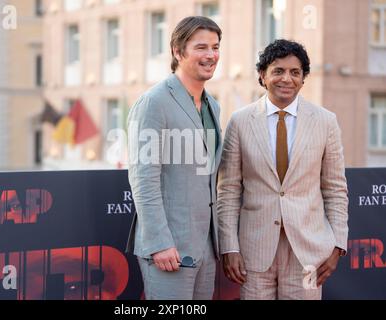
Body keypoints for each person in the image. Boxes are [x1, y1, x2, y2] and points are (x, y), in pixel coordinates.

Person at [217, 39, 348, 300]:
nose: (286, 79)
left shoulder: (325, 121)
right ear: (262, 76)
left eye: (295, 72)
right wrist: (229, 247)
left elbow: (335, 189)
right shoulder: (240, 122)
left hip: (309, 254)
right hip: (253, 252)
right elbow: (228, 191)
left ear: (303, 79)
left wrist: (337, 246)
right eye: (278, 71)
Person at [126, 16, 223, 300]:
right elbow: (143, 179)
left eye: (216, 47)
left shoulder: (213, 106)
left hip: (206, 247)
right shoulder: (153, 102)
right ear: (178, 52)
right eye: (201, 47)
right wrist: (159, 243)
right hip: (169, 250)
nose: (211, 55)